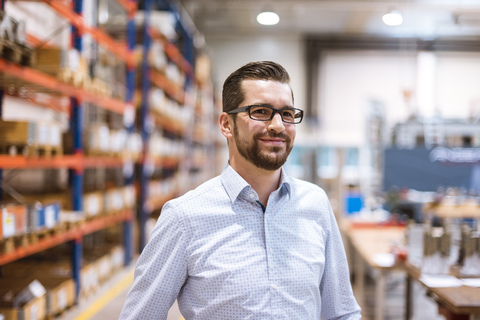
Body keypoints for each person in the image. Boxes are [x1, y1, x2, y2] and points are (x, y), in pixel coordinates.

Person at [119, 61, 361, 320]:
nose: (278, 125)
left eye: (287, 114)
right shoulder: (185, 217)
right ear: (226, 125)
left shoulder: (315, 204)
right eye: (260, 111)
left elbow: (341, 312)